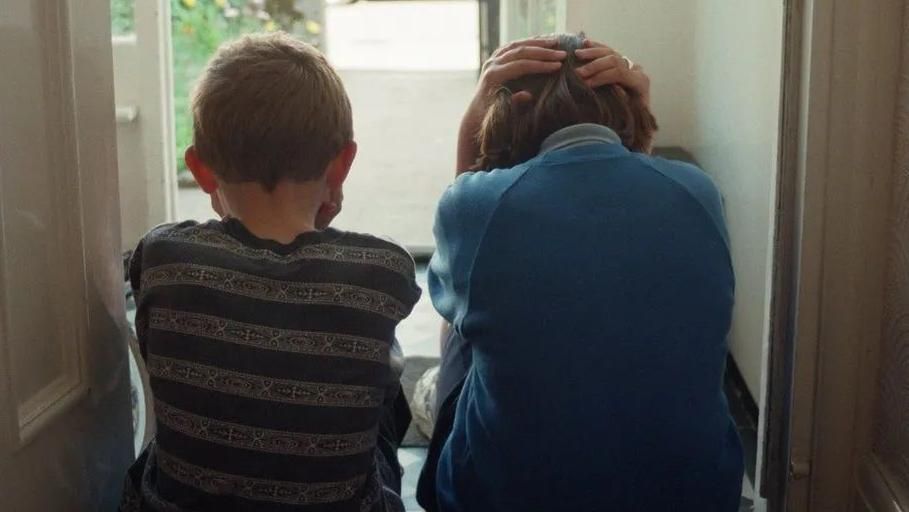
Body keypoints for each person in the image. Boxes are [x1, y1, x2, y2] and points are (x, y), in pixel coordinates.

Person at [418, 33, 744, 511]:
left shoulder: (476, 207)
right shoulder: (700, 192)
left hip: (507, 499)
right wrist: (640, 124)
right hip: (696, 496)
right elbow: (633, 210)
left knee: (461, 314)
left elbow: (461, 252)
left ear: (505, 110)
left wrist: (471, 127)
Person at [118, 33, 421, 512]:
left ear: (199, 169)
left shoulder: (162, 255)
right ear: (342, 165)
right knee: (382, 384)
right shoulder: (384, 270)